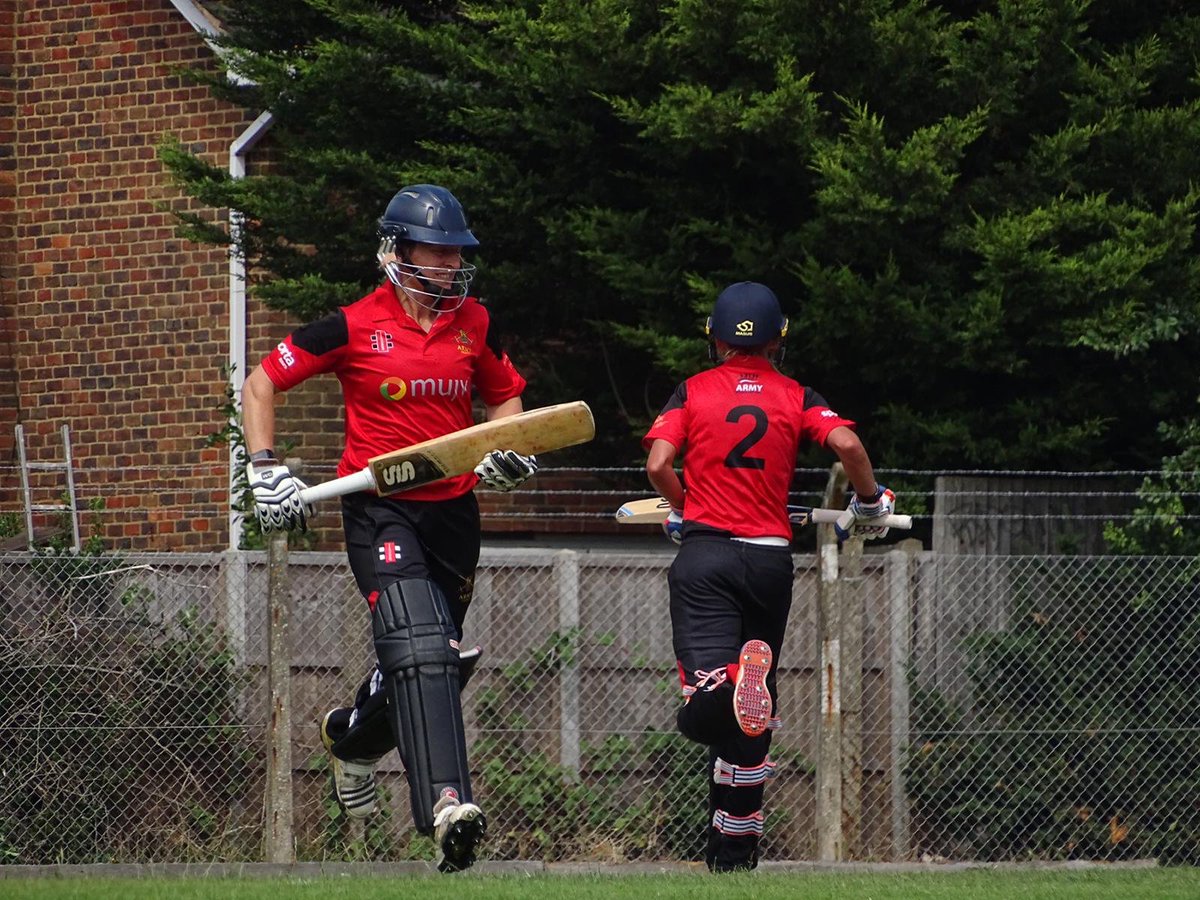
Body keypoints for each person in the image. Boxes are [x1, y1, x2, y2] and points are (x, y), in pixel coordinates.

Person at [240, 184, 539, 873]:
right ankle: (446, 811)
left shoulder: (475, 323)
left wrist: (504, 447)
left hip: (454, 515)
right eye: (438, 251)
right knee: (422, 646)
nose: (452, 264)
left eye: (457, 253)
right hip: (380, 509)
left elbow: (506, 398)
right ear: (399, 252)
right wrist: (263, 466)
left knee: (434, 661)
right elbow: (261, 383)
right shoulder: (350, 326)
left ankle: (353, 740)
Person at [642, 281, 895, 872]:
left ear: (715, 338)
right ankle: (735, 854)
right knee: (756, 709)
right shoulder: (796, 394)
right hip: (768, 562)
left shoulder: (693, 391)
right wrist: (868, 503)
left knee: (704, 702)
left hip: (706, 558)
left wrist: (684, 507)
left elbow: (657, 463)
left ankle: (729, 689)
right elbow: (849, 445)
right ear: (780, 339)